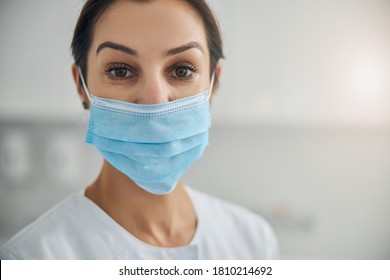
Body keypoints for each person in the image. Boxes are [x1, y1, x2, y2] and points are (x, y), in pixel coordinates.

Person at [0, 0, 278, 259]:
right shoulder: (32, 257)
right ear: (80, 86)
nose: (155, 99)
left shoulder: (252, 242)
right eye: (120, 71)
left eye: (182, 70)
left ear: (213, 85)